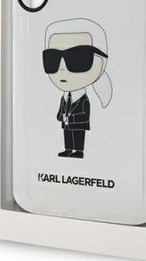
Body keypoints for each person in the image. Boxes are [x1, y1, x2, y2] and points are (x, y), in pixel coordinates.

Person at [42, 18, 112, 159]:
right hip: (67, 124)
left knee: (78, 136)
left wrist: (71, 117)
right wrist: (61, 116)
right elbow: (60, 110)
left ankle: (79, 151)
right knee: (67, 136)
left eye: (78, 59)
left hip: (78, 125)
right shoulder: (64, 97)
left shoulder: (84, 100)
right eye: (52, 59)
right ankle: (68, 149)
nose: (62, 68)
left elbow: (85, 115)